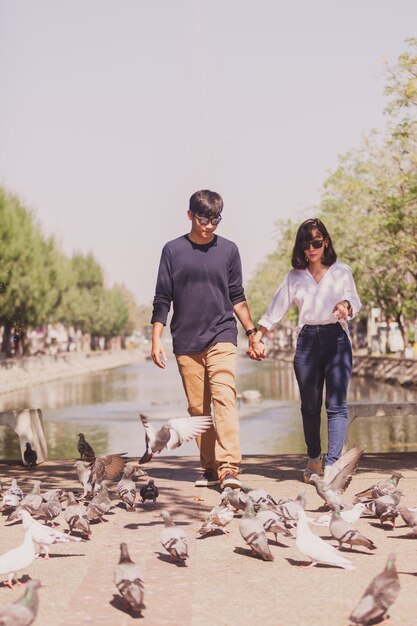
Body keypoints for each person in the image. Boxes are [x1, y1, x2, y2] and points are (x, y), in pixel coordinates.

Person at [150, 189, 258, 490]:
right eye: (203, 219)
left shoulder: (229, 250)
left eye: (215, 220)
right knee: (198, 410)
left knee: (225, 398)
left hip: (222, 334)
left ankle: (228, 467)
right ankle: (210, 467)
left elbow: (237, 296)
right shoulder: (172, 250)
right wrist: (156, 338)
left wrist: (251, 332)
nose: (209, 225)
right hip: (186, 341)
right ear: (189, 215)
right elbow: (163, 297)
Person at [248, 218, 361, 483]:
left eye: (316, 242)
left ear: (326, 242)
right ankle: (314, 456)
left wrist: (346, 305)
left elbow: (354, 300)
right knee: (310, 406)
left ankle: (332, 465)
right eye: (305, 244)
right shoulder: (294, 276)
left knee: (336, 405)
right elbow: (276, 309)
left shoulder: (342, 270)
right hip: (308, 340)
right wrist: (257, 336)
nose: (311, 248)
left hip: (337, 340)